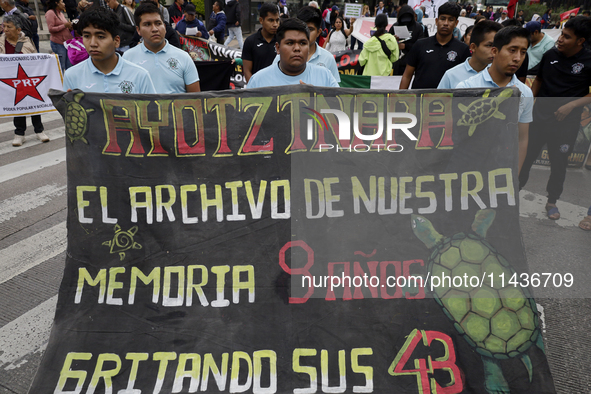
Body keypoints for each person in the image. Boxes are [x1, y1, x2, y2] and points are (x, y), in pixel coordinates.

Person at [519, 16, 591, 220]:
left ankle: (552, 201)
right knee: (525, 158)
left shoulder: (588, 61)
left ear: (581, 41)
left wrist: (572, 104)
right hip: (538, 118)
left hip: (565, 124)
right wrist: (528, 103)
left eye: (567, 37)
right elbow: (539, 80)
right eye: (561, 34)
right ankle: (514, 193)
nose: (560, 39)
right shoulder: (550, 54)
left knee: (559, 163)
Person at [457, 26, 533, 176]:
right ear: (494, 51)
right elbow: (456, 135)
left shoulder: (525, 93)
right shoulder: (467, 87)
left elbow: (522, 139)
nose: (517, 58)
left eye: (523, 52)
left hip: (501, 171)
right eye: (512, 50)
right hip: (466, 170)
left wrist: (515, 175)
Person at [62, 6, 156, 93]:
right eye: (87, 36)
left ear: (116, 41)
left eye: (101, 36)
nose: (93, 43)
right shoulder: (72, 76)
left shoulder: (139, 75)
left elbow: (152, 110)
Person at [123, 1, 199, 93]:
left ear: (165, 26)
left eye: (158, 23)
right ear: (138, 30)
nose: (154, 29)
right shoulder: (128, 58)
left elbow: (196, 100)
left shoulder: (184, 58)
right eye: (147, 24)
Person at [246, 18, 338, 88]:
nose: (297, 48)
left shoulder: (325, 77)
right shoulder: (258, 81)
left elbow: (341, 110)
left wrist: (316, 98)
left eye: (303, 43)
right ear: (278, 48)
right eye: (290, 43)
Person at [1, 15, 49, 147]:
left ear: (18, 29)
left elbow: (36, 60)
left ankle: (39, 131)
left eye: (9, 27)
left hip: (29, 80)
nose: (5, 29)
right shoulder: (1, 43)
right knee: (17, 107)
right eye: (4, 26)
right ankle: (19, 134)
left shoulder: (27, 42)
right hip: (11, 82)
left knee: (34, 104)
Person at [400, 2, 470, 89]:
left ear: (456, 23)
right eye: (443, 19)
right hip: (419, 100)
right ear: (436, 21)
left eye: (451, 20)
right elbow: (407, 75)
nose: (446, 23)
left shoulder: (463, 49)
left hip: (448, 100)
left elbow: (465, 79)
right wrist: (400, 99)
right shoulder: (420, 45)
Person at [273, 6, 340, 82]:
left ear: (318, 32)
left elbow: (334, 91)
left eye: (310, 29)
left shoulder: (328, 58)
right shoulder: (282, 56)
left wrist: (314, 93)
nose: (306, 34)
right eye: (302, 29)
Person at [438, 20, 502, 89]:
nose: (494, 51)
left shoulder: (501, 75)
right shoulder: (451, 75)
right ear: (473, 47)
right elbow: (440, 99)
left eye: (496, 46)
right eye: (489, 45)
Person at [242, 2, 279, 82]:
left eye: (277, 20)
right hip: (258, 90)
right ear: (261, 20)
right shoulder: (250, 41)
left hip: (278, 90)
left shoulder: (282, 40)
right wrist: (253, 89)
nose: (275, 24)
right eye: (271, 20)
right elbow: (247, 71)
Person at [389, 5, 426, 75]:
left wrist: (406, 46)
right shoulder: (395, 26)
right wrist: (393, 40)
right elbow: (387, 43)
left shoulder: (418, 28)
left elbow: (421, 46)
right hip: (396, 63)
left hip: (412, 63)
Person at [44, 0, 72, 71]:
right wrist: (64, 25)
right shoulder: (50, 13)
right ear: (57, 3)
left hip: (66, 43)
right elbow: (51, 29)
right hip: (58, 43)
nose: (64, 4)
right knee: (60, 66)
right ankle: (60, 81)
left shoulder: (61, 13)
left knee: (69, 65)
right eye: (62, 2)